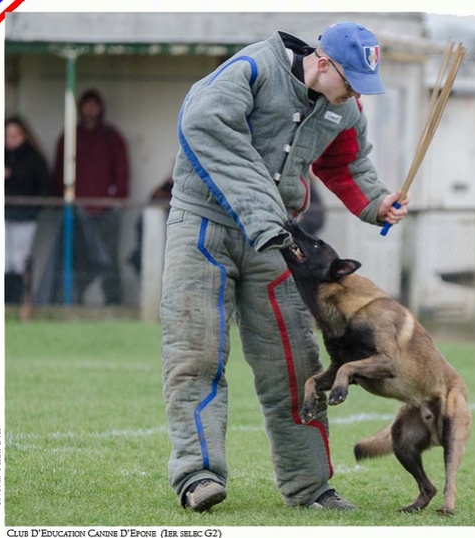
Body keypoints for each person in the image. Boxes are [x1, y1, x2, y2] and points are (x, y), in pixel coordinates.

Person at [161, 21, 409, 513]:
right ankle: (198, 476)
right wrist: (264, 215)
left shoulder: (344, 108)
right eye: (352, 80)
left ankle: (311, 487)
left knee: (298, 366)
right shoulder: (251, 68)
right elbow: (203, 124)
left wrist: (378, 203)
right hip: (202, 227)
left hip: (276, 238)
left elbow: (347, 165)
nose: (357, 93)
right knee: (195, 357)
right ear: (323, 63)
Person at [52, 88, 130, 305]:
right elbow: (60, 170)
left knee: (107, 258)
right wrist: (64, 199)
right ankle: (72, 299)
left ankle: (113, 300)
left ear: (101, 108)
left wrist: (115, 199)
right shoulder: (69, 137)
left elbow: (122, 173)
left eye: (94, 105)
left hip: (106, 211)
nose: (90, 109)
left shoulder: (112, 137)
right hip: (76, 210)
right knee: (78, 258)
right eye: (86, 105)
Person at [4, 115, 52, 304]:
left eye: (15, 135)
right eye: (7, 135)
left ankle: (20, 301)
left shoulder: (34, 158)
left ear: (25, 135)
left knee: (19, 259)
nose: (10, 139)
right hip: (2, 215)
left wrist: (31, 206)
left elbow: (45, 188)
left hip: (25, 216)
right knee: (3, 259)